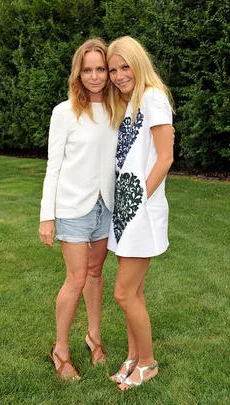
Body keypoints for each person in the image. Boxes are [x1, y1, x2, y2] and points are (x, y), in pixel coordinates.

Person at [38, 38, 118, 380]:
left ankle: (93, 338)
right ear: (78, 73)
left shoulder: (118, 108)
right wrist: (46, 215)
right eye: (88, 70)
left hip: (106, 207)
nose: (96, 76)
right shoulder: (65, 111)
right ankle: (61, 350)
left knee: (96, 273)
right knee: (77, 277)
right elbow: (53, 165)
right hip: (72, 207)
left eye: (101, 69)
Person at [106, 36, 174, 391]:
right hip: (125, 210)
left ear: (138, 63)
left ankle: (148, 363)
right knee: (135, 292)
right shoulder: (129, 103)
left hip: (139, 211)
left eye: (124, 66)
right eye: (113, 69)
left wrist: (138, 200)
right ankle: (133, 356)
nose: (117, 75)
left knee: (123, 292)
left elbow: (165, 157)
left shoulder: (152, 97)